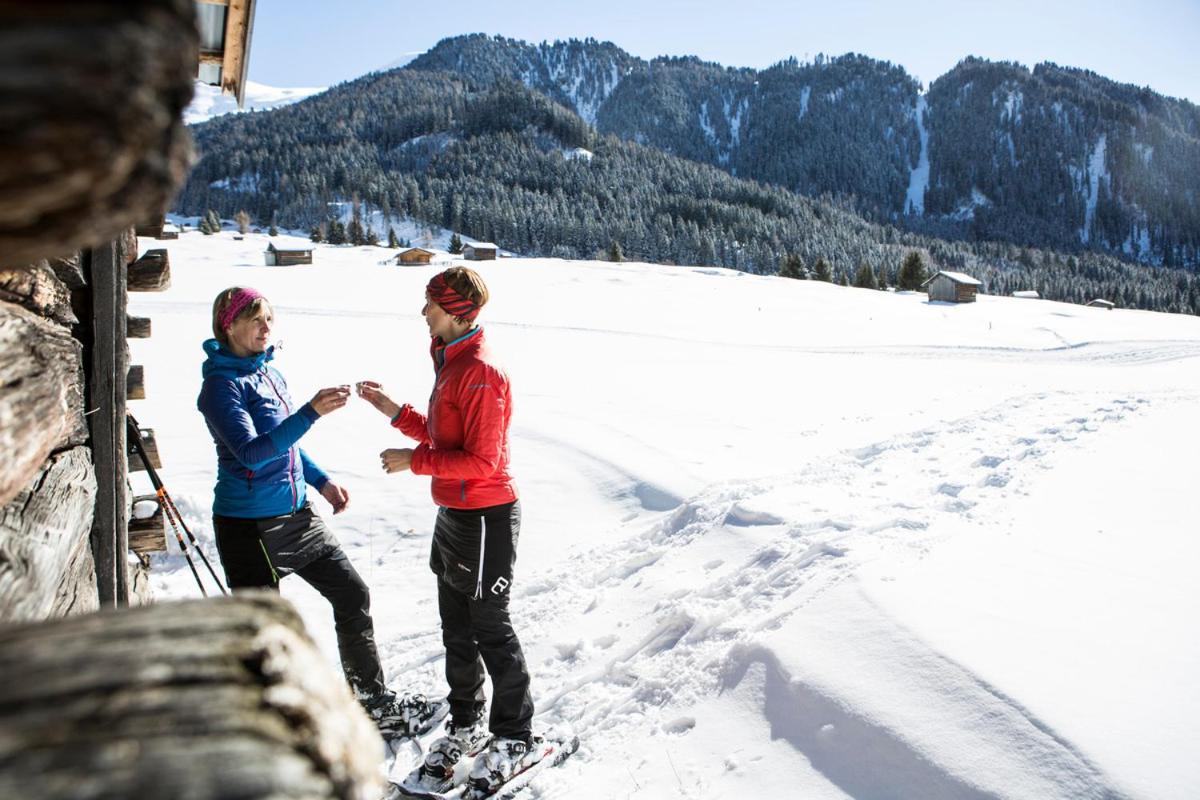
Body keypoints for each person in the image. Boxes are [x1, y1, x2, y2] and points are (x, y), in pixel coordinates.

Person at [197, 285, 444, 738]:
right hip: (248, 525)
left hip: (296, 514)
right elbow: (252, 454)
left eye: (269, 318)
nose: (265, 327)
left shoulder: (268, 372)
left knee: (352, 595)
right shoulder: (220, 386)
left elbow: (284, 446)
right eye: (254, 319)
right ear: (227, 325)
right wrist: (310, 412)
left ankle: (373, 705)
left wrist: (321, 480)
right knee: (265, 634)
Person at [358, 267, 537, 794]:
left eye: (431, 303)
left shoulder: (482, 373)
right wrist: (395, 411)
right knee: (455, 628)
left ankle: (515, 735)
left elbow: (482, 461)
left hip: (487, 518)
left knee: (490, 628)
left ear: (457, 311)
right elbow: (443, 435)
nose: (424, 312)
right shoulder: (450, 360)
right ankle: (465, 723)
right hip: (454, 518)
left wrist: (414, 461)